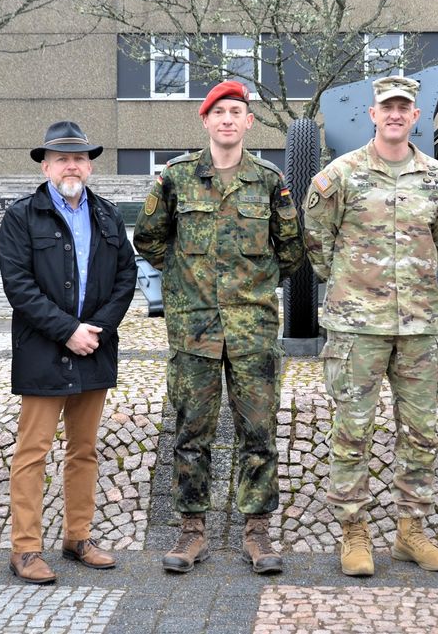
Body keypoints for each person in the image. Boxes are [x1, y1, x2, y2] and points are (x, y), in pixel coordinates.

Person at [134, 80, 303, 575]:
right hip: (194, 331)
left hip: (252, 332)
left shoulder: (270, 181)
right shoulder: (176, 178)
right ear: (205, 121)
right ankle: (191, 532)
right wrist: (188, 284)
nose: (227, 120)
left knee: (259, 432)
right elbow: (149, 238)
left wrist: (253, 286)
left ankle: (257, 533)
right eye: (218, 112)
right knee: (191, 434)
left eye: (236, 112)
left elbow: (291, 249)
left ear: (249, 122)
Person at [303, 75, 438, 577]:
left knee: (421, 432)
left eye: (404, 108)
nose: (395, 114)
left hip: (416, 327)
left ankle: (411, 532)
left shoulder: (435, 177)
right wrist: (351, 286)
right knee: (352, 431)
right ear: (372, 115)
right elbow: (316, 243)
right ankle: (354, 532)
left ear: (416, 117)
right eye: (386, 107)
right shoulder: (340, 175)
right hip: (356, 328)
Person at [0, 121, 137, 584]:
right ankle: (26, 549)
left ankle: (78, 537)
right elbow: (20, 287)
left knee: (84, 451)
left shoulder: (108, 215)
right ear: (45, 165)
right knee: (32, 452)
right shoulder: (22, 216)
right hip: (43, 350)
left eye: (78, 158)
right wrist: (68, 330)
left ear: (90, 165)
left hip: (94, 347)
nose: (70, 165)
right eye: (61, 158)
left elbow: (125, 277)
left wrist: (97, 329)